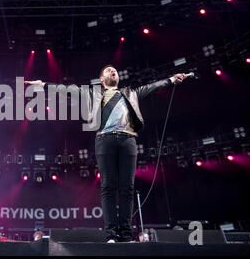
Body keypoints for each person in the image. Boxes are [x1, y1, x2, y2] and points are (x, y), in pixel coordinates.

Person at [25, 65, 187, 243]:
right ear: (102, 80)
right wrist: (43, 84)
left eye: (115, 70)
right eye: (108, 70)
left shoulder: (131, 93)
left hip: (128, 140)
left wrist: (171, 79)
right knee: (108, 187)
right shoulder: (93, 94)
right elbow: (68, 90)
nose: (113, 71)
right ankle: (111, 234)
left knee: (127, 188)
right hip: (104, 140)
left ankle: (125, 235)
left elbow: (151, 87)